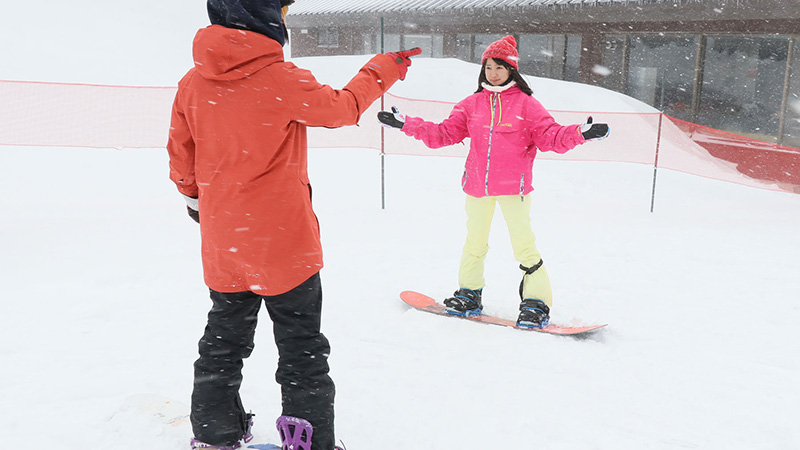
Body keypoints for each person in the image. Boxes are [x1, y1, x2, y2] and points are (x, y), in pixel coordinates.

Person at [166, 1, 421, 449]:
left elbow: (181, 155)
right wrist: (382, 69)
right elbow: (341, 110)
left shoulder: (192, 83)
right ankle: (309, 438)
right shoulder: (281, 78)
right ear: (262, 15)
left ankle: (215, 432)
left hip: (226, 242)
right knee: (301, 347)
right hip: (284, 243)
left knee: (222, 343)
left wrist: (195, 200)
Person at [378, 35, 609, 329]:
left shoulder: (527, 105)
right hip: (477, 187)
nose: (493, 73)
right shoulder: (471, 104)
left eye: (499, 67)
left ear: (511, 69)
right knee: (474, 243)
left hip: (514, 188)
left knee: (524, 246)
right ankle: (469, 294)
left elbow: (551, 136)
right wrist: (405, 124)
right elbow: (442, 134)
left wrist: (582, 132)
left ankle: (536, 303)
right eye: (488, 67)